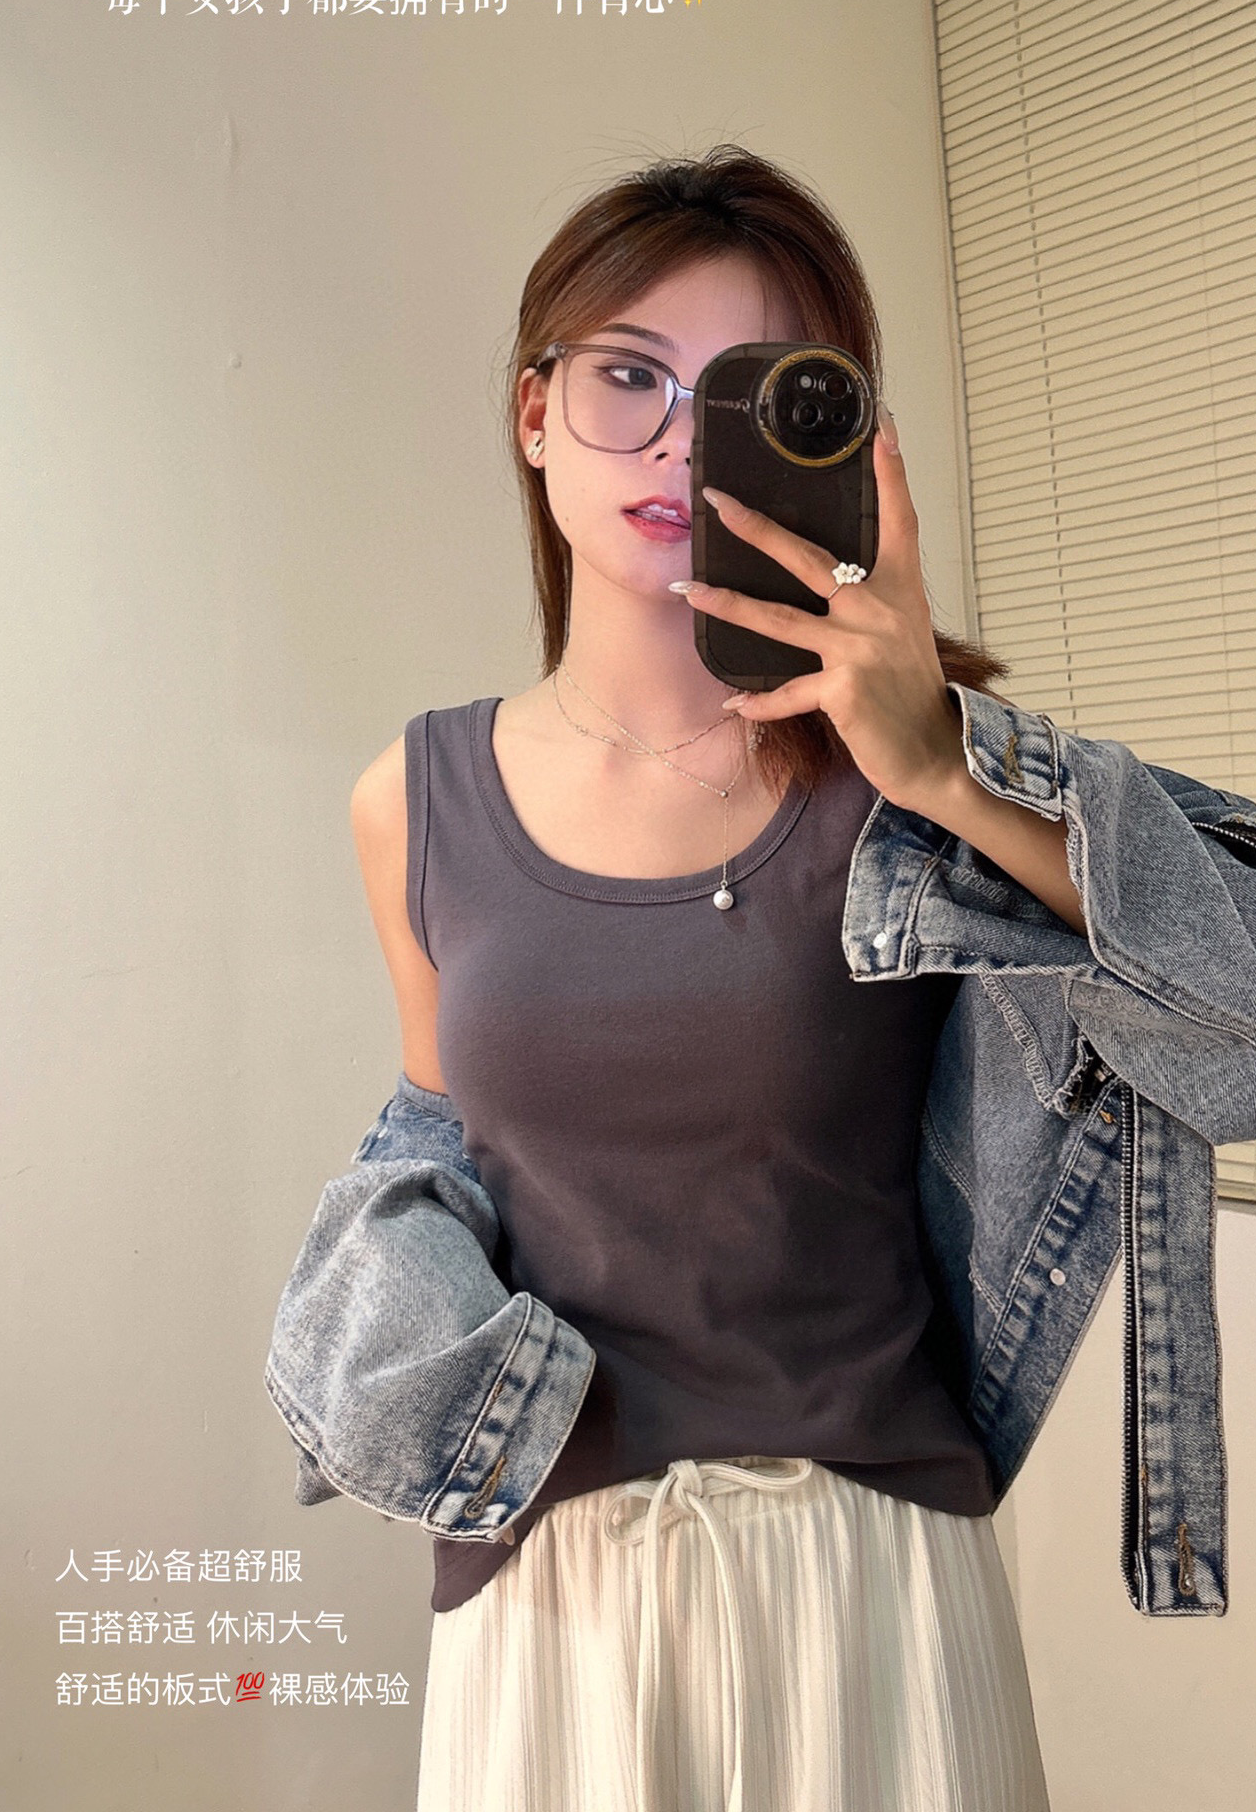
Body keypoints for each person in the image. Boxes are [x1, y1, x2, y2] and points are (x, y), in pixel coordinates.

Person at [348, 145, 1058, 1809]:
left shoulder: (913, 777)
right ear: (535, 413)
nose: (678, 438)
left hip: (864, 1574)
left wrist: (942, 765)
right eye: (628, 377)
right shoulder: (410, 799)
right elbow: (440, 1161)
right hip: (550, 1601)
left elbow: (1254, 1006)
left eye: (746, 391)